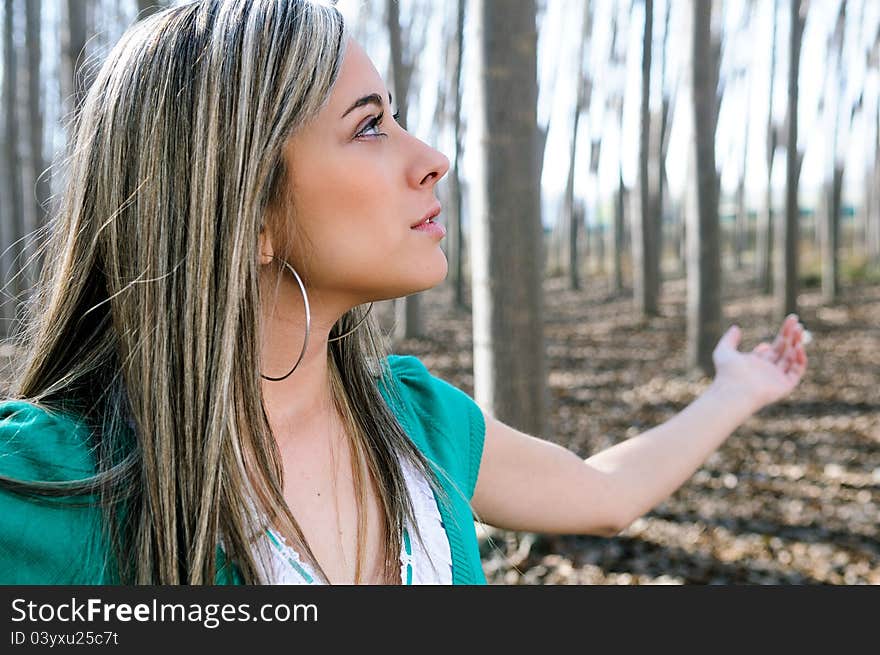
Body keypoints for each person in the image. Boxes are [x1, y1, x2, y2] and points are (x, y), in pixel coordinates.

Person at [0, 0, 808, 586]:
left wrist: (736, 389)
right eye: (369, 126)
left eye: (398, 116)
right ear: (245, 211)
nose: (431, 158)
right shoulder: (45, 484)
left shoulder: (419, 422)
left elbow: (604, 493)